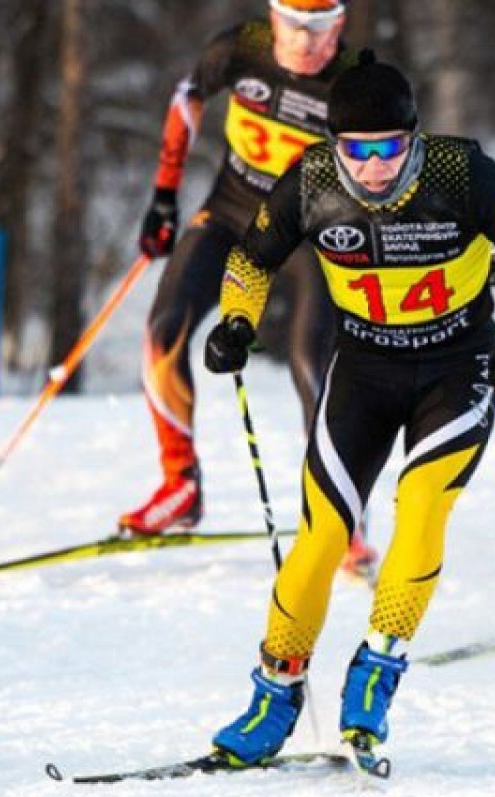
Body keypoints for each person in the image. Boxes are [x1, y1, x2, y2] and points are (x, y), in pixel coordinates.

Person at [202, 52, 495, 766]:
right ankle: (273, 694)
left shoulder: (460, 174)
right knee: (321, 537)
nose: (373, 166)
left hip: (457, 365)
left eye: (390, 148)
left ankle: (377, 667)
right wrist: (236, 322)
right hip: (365, 370)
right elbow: (251, 262)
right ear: (335, 145)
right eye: (357, 150)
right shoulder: (311, 179)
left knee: (423, 503)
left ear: (414, 137)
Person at [120, 0, 378, 577]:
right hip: (232, 213)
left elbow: (396, 163)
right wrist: (164, 196)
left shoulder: (357, 79)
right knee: (162, 332)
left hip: (312, 234)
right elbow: (186, 98)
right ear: (273, 19)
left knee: (312, 363)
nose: (307, 44)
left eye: (321, 30)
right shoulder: (241, 49)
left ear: (341, 25)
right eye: (294, 26)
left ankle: (342, 518)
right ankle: (180, 486)